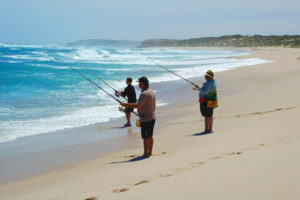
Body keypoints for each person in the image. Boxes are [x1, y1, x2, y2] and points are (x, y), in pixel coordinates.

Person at [120, 76, 156, 157]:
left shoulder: (144, 94)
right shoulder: (151, 92)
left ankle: (146, 153)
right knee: (150, 136)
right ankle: (149, 152)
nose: (138, 84)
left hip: (146, 119)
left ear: (142, 84)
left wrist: (126, 104)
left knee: (145, 137)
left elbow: (138, 105)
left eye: (139, 83)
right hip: (152, 117)